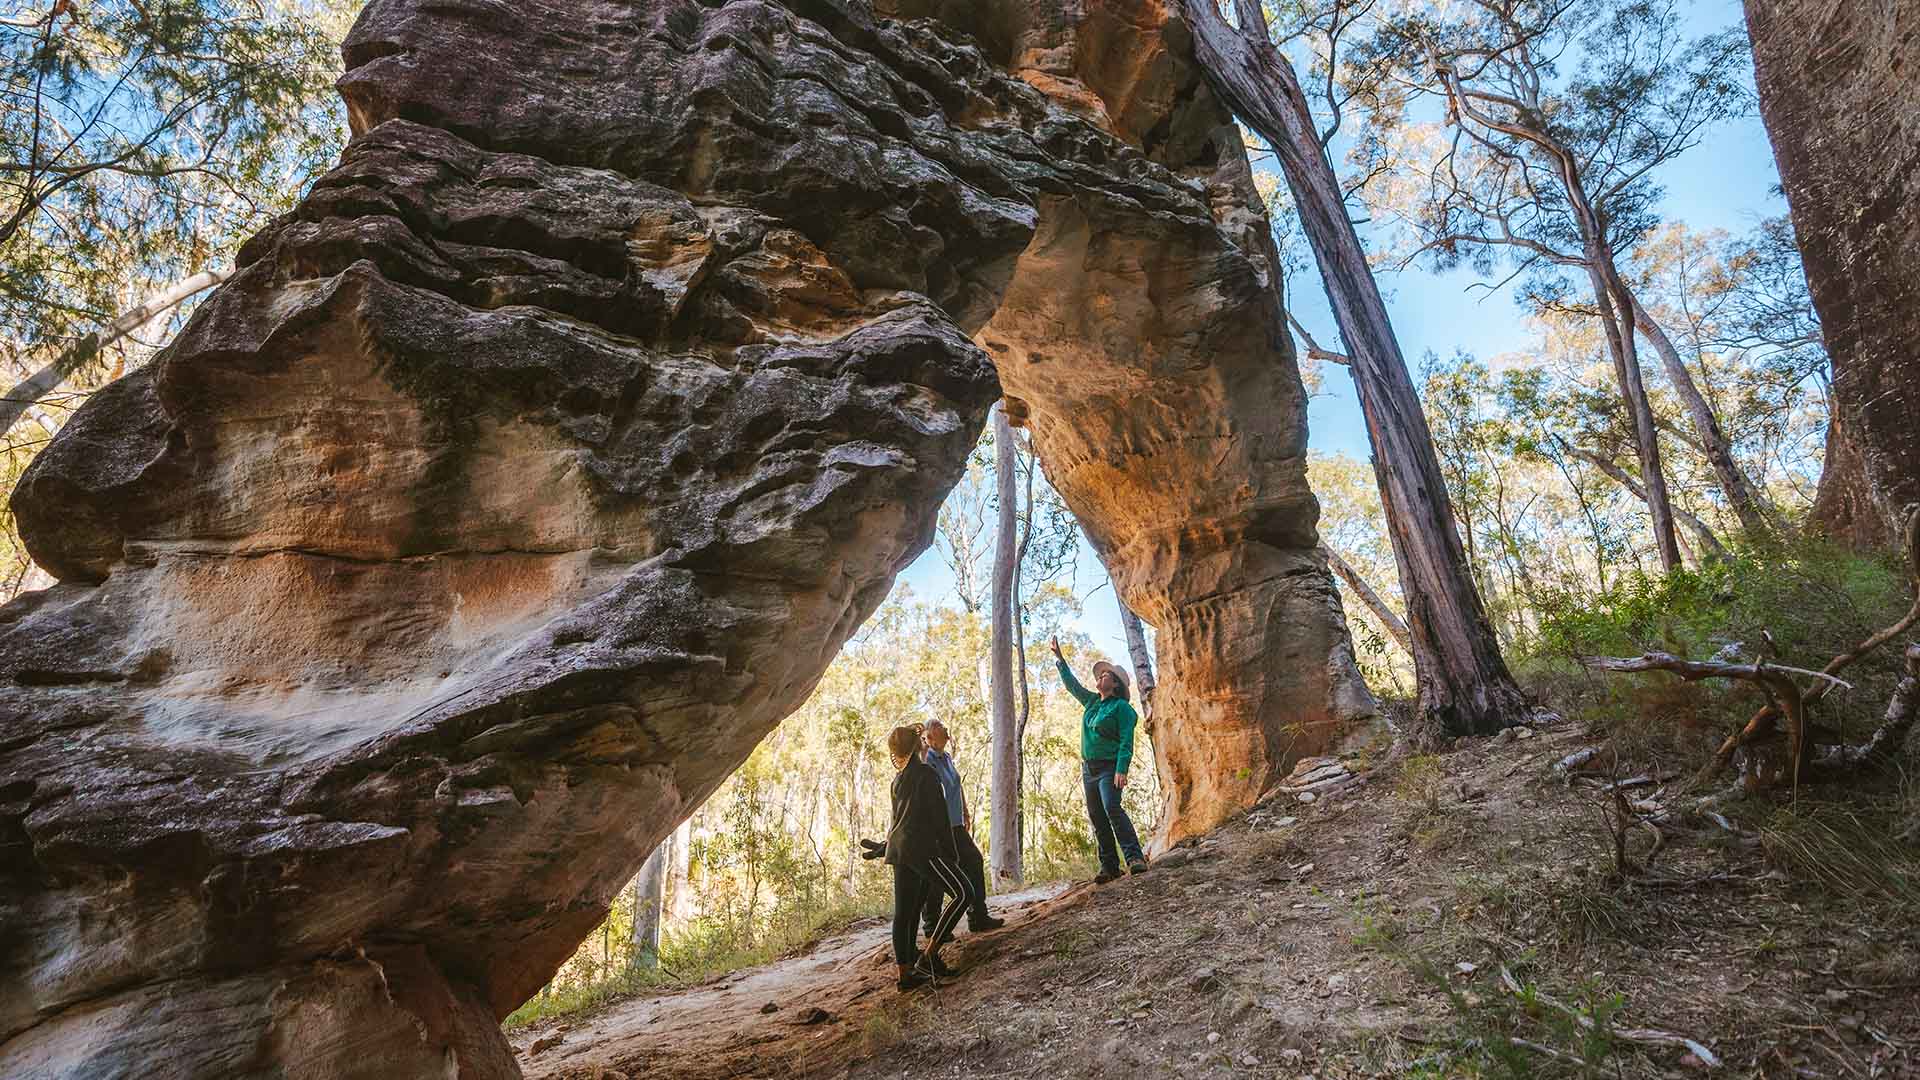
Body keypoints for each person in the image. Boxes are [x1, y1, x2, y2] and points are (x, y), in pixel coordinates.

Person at [869, 724, 974, 990]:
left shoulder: (898, 780)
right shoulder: (927, 774)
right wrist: (950, 854)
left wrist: (885, 846)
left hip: (900, 850)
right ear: (918, 746)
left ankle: (905, 976)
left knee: (906, 913)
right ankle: (928, 957)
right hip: (923, 849)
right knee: (964, 893)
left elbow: (897, 822)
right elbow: (939, 818)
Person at [1051, 637, 1149, 883]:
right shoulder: (1092, 702)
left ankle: (1135, 858)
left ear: (1115, 685)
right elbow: (1073, 686)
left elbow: (1127, 741)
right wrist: (1060, 660)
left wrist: (1121, 769)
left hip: (1108, 768)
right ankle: (1109, 866)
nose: (1101, 676)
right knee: (1097, 816)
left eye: (1106, 675)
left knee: (1112, 808)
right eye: (1101, 674)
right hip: (1089, 770)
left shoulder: (1123, 709)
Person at [917, 719, 1005, 942]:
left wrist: (965, 810)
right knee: (939, 875)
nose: (947, 730)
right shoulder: (926, 759)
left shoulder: (945, 757)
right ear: (930, 736)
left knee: (973, 861)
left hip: (955, 824)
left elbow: (955, 784)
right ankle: (933, 925)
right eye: (941, 728)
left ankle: (978, 916)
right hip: (938, 828)